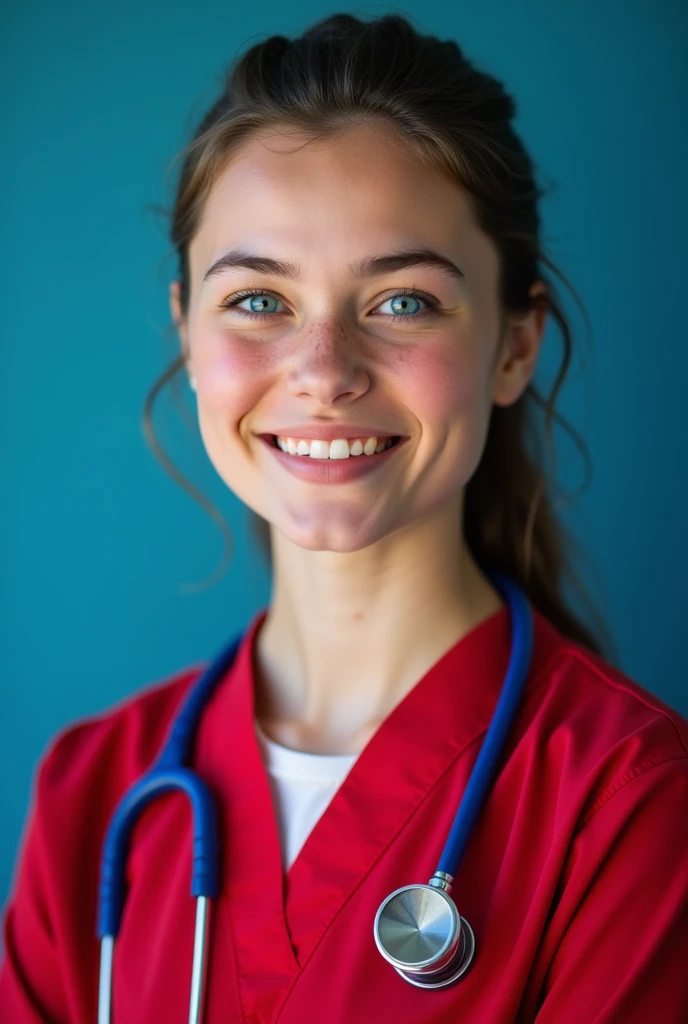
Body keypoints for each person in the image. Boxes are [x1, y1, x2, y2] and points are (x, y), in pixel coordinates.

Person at [1, 11, 687, 1024]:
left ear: (513, 345)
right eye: (259, 301)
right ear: (188, 330)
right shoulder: (93, 793)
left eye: (402, 301)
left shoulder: (628, 803)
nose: (323, 372)